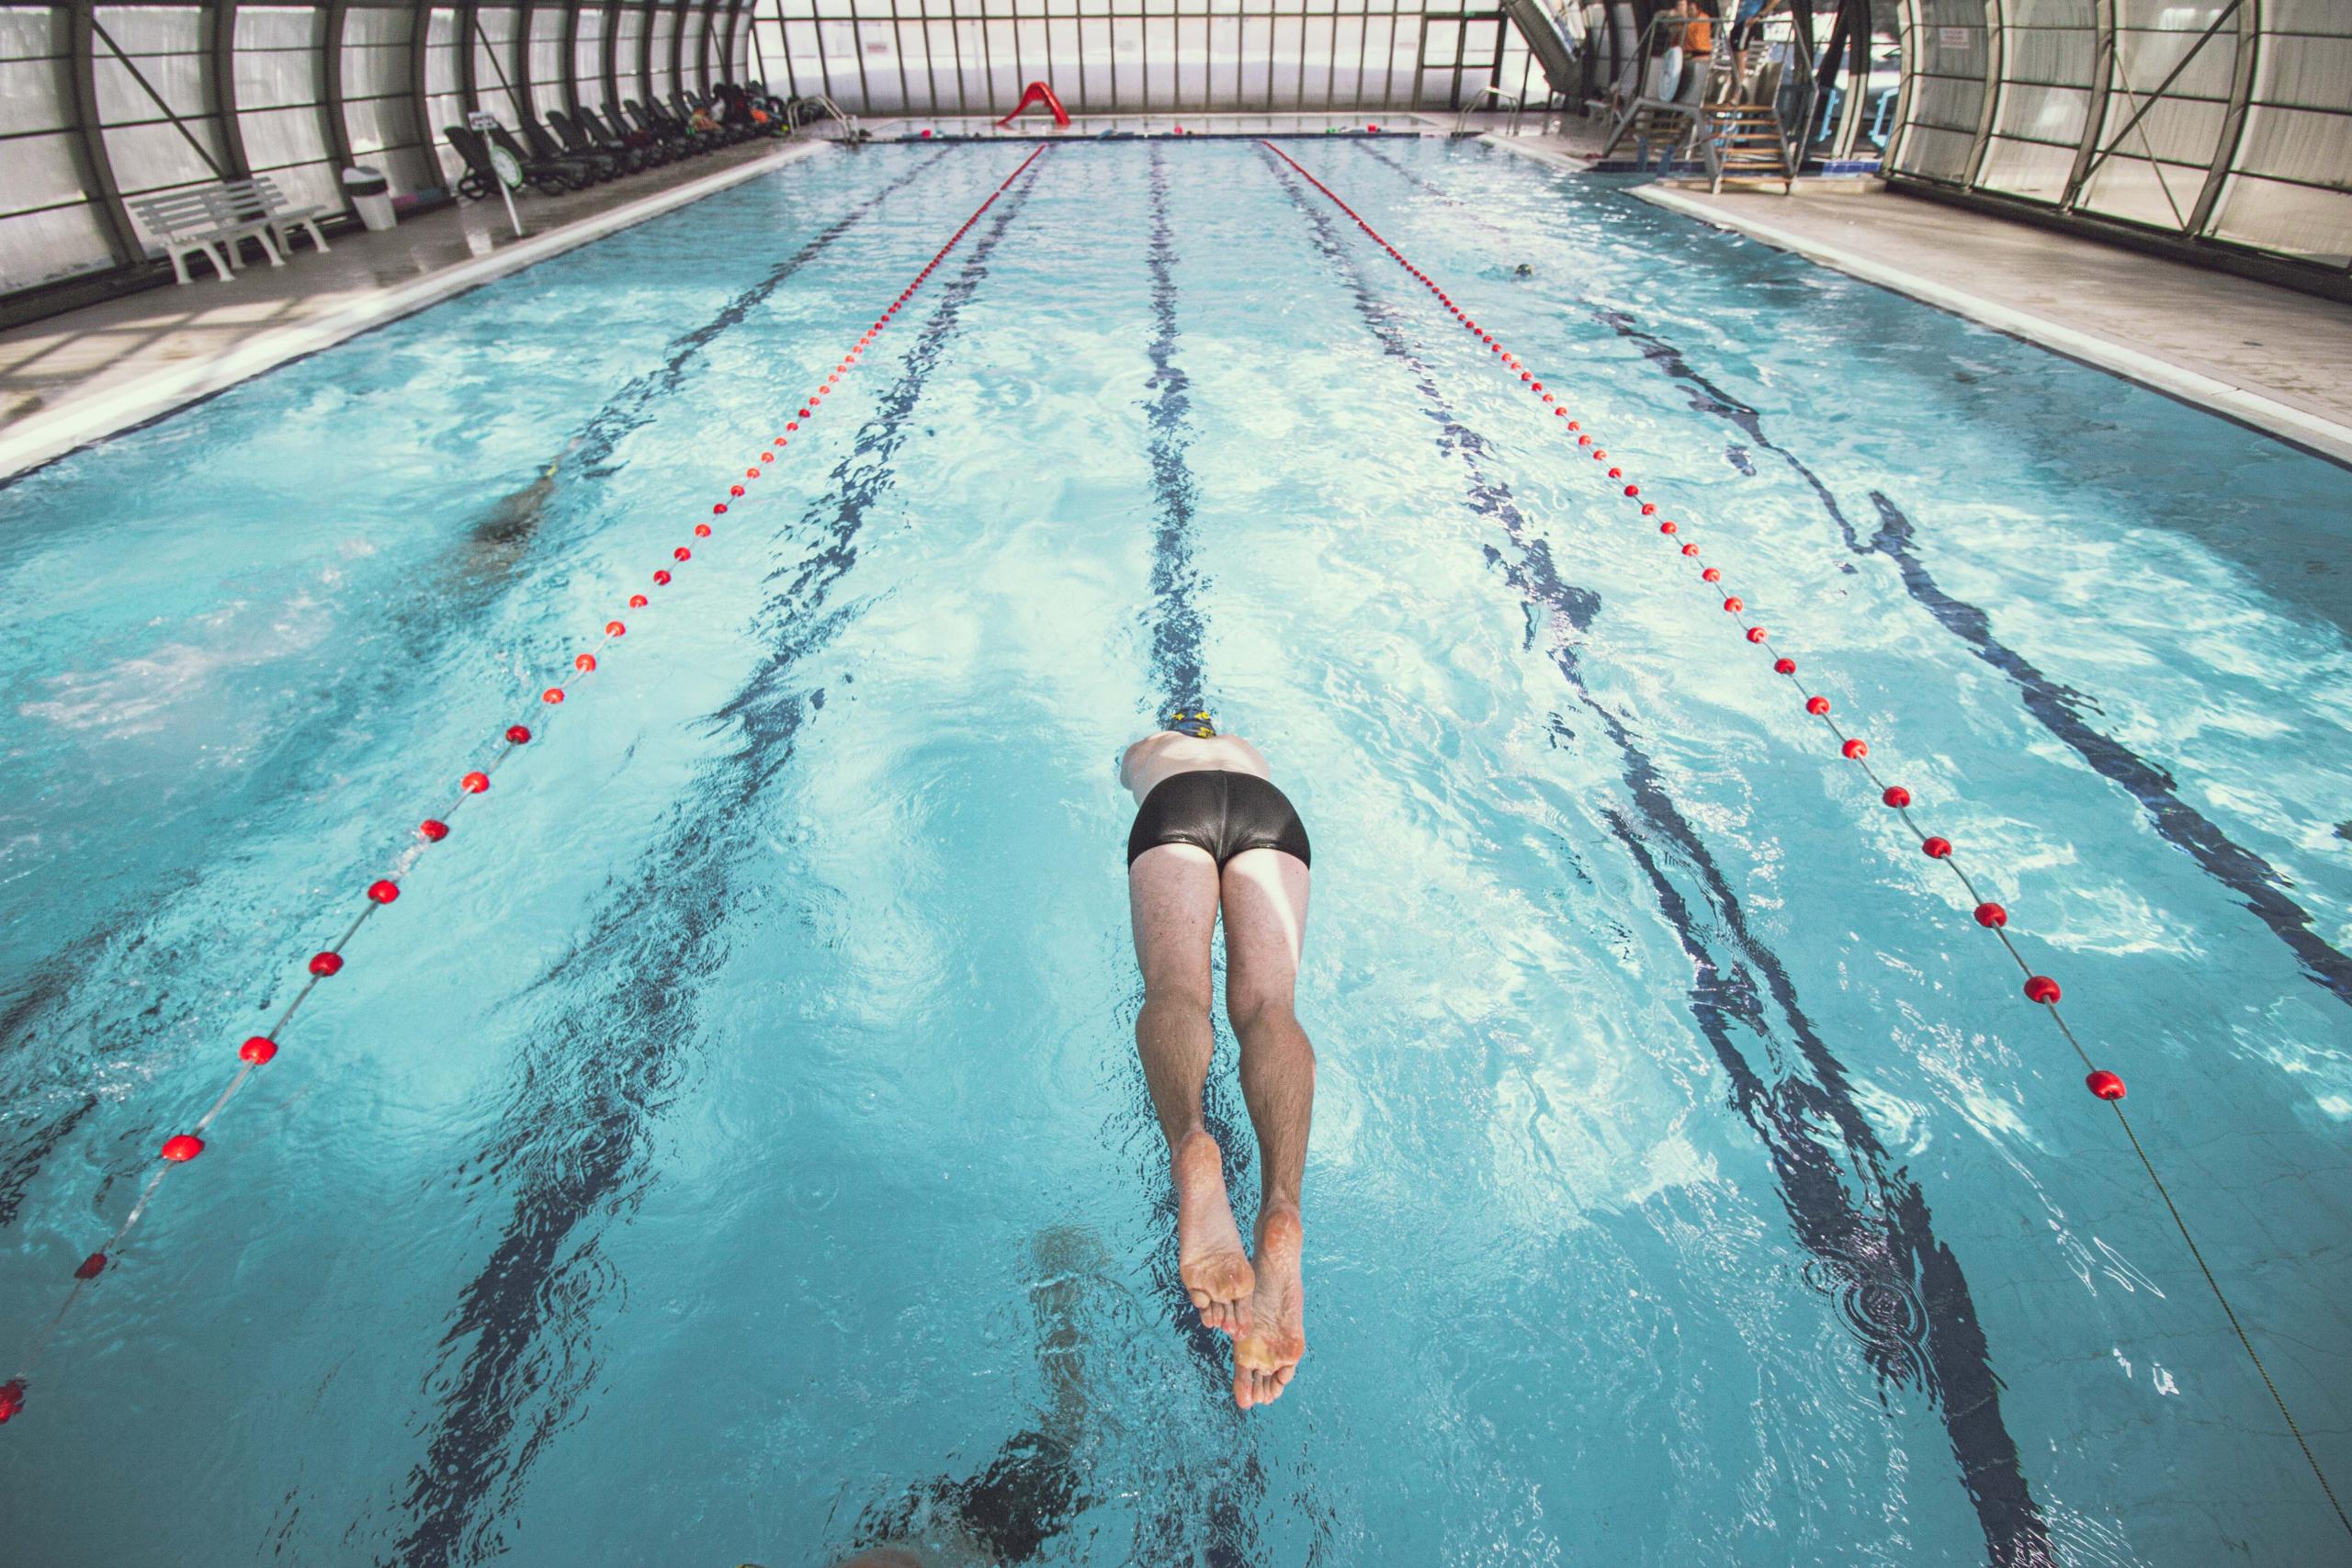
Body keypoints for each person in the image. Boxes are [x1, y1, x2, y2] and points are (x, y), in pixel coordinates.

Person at [1119, 711, 1316, 1411]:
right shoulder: (1248, 750)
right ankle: (1282, 1205)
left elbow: (1130, 772)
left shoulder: (1149, 750)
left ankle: (1191, 1143)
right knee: (1270, 1010)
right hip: (1273, 818)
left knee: (1177, 990)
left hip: (1178, 805)